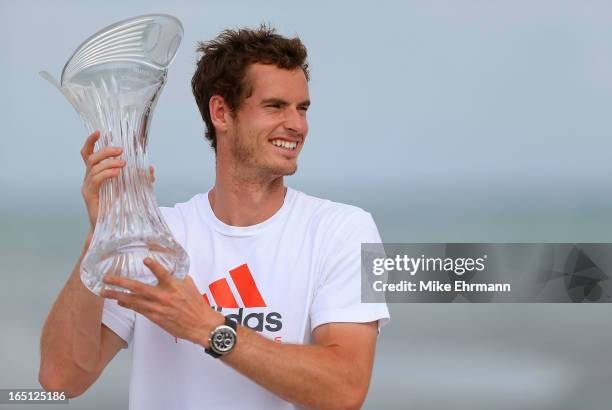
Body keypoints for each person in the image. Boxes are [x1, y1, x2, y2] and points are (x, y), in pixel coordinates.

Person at [39, 25, 389, 410]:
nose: (298, 125)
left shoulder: (345, 229)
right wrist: (103, 234)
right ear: (221, 112)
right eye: (275, 106)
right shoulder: (158, 237)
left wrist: (206, 326)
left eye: (302, 108)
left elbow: (345, 389)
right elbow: (62, 380)